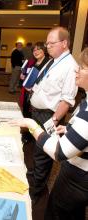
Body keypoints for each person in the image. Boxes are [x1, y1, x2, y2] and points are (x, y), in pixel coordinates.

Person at [10, 47, 88, 220]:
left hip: (78, 178)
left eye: (82, 67)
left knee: (57, 213)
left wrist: (32, 125)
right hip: (77, 171)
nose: (77, 69)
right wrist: (69, 129)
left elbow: (60, 152)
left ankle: (36, 190)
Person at [29, 27, 78, 204]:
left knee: (43, 154)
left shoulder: (71, 66)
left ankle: (36, 192)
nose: (47, 46)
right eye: (47, 43)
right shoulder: (53, 61)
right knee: (36, 150)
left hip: (49, 116)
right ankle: (33, 175)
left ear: (64, 43)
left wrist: (54, 121)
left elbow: (66, 100)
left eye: (51, 43)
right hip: (37, 113)